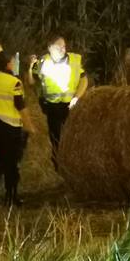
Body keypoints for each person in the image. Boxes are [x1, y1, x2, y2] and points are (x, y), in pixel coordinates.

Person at [25, 35, 88, 170]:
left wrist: (76, 98)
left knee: (71, 137)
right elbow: (31, 82)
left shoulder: (74, 61)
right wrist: (30, 67)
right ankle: (59, 167)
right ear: (50, 48)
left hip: (70, 106)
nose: (62, 49)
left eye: (64, 46)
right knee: (56, 139)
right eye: (58, 46)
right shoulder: (43, 62)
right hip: (51, 107)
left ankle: (73, 166)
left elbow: (84, 79)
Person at [0, 50, 34, 206]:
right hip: (10, 129)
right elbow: (20, 106)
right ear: (9, 64)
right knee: (12, 164)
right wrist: (29, 126)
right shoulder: (14, 82)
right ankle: (11, 197)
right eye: (13, 61)